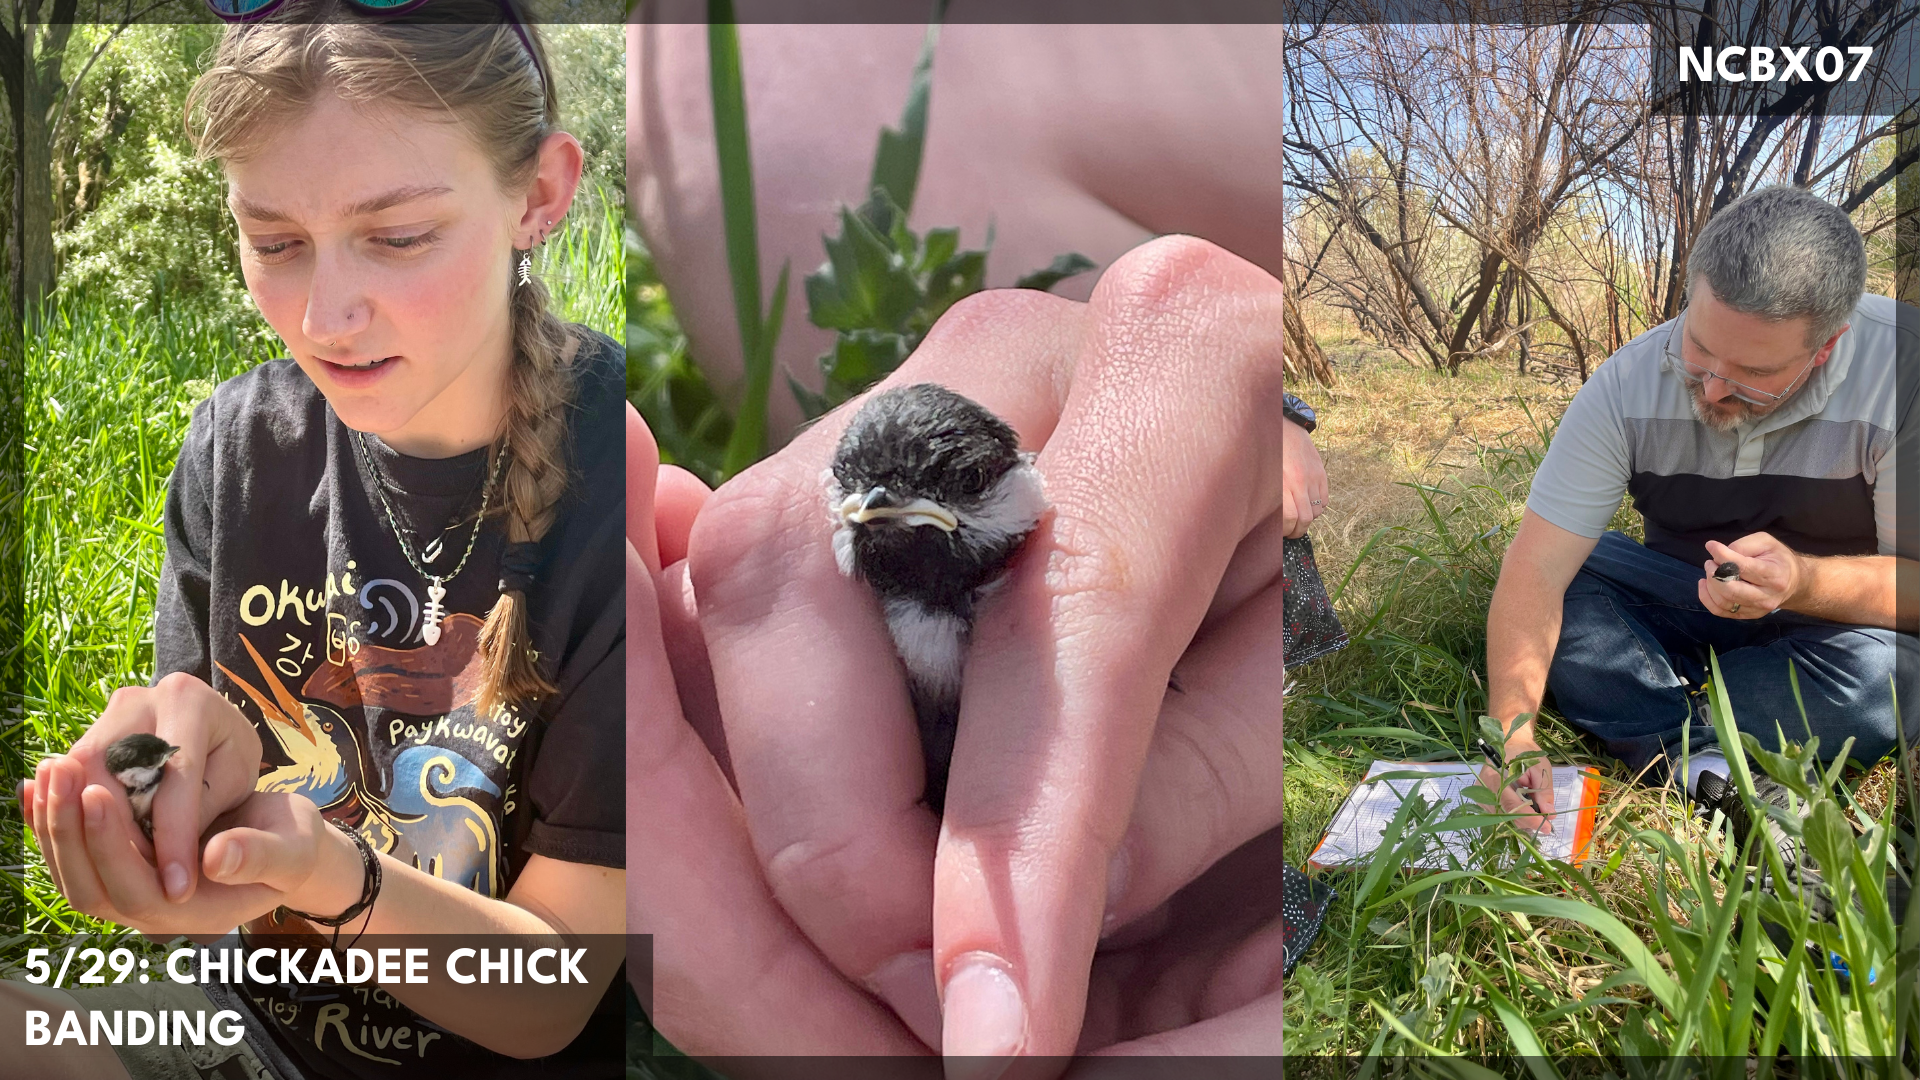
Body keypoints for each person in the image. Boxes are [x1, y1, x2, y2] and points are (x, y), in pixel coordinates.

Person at [7, 4, 626, 1076]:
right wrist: (168, 795)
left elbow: (551, 997)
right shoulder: (238, 445)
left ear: (539, 195)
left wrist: (330, 874)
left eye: (397, 238)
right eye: (274, 242)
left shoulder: (621, 477)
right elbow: (214, 880)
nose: (325, 317)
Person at [629, 232, 1325, 1058]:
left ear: (1017, 489)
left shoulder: (1094, 581)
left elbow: (1303, 643)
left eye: (953, 491)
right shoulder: (851, 643)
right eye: (869, 503)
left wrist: (1282, 431)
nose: (893, 510)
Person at [1479, 185, 1917, 832]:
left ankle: (1656, 719)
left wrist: (1802, 580)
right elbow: (1538, 569)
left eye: (1750, 373)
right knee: (1573, 574)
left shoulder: (1903, 369)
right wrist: (1512, 736)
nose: (1712, 387)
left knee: (1892, 678)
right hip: (1686, 600)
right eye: (1700, 347)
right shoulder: (1625, 384)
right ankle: (1706, 761)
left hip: (1837, 626)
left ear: (1826, 347)